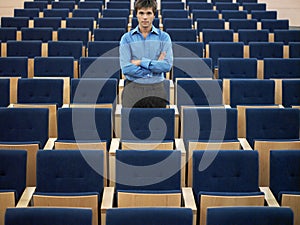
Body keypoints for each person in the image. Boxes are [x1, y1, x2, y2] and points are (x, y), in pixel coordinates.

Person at [119, 0, 173, 108]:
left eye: (148, 13)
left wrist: (140, 62)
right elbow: (126, 68)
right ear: (136, 15)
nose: (145, 17)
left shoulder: (164, 37)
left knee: (158, 125)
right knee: (131, 124)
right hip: (132, 89)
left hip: (156, 90)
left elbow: (166, 65)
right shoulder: (126, 38)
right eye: (141, 13)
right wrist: (154, 67)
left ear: (154, 15)